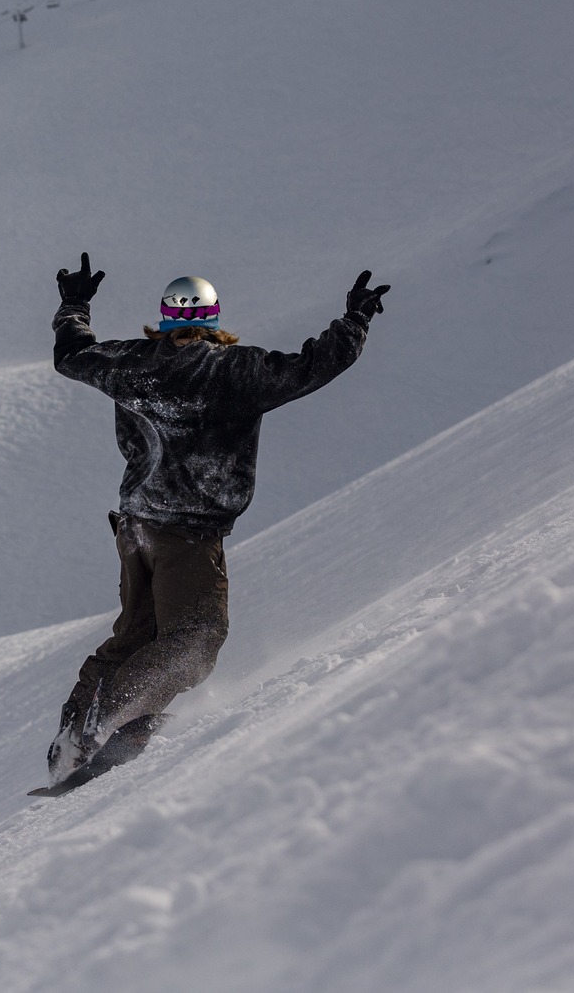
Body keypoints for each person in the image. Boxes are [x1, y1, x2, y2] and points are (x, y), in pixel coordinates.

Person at [44, 254, 388, 787]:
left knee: (139, 636)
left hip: (136, 528)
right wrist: (354, 323)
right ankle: (103, 721)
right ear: (211, 321)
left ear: (167, 319)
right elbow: (310, 367)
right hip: (187, 532)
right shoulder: (232, 371)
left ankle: (87, 732)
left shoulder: (130, 362)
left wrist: (75, 304)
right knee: (197, 640)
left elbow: (73, 355)